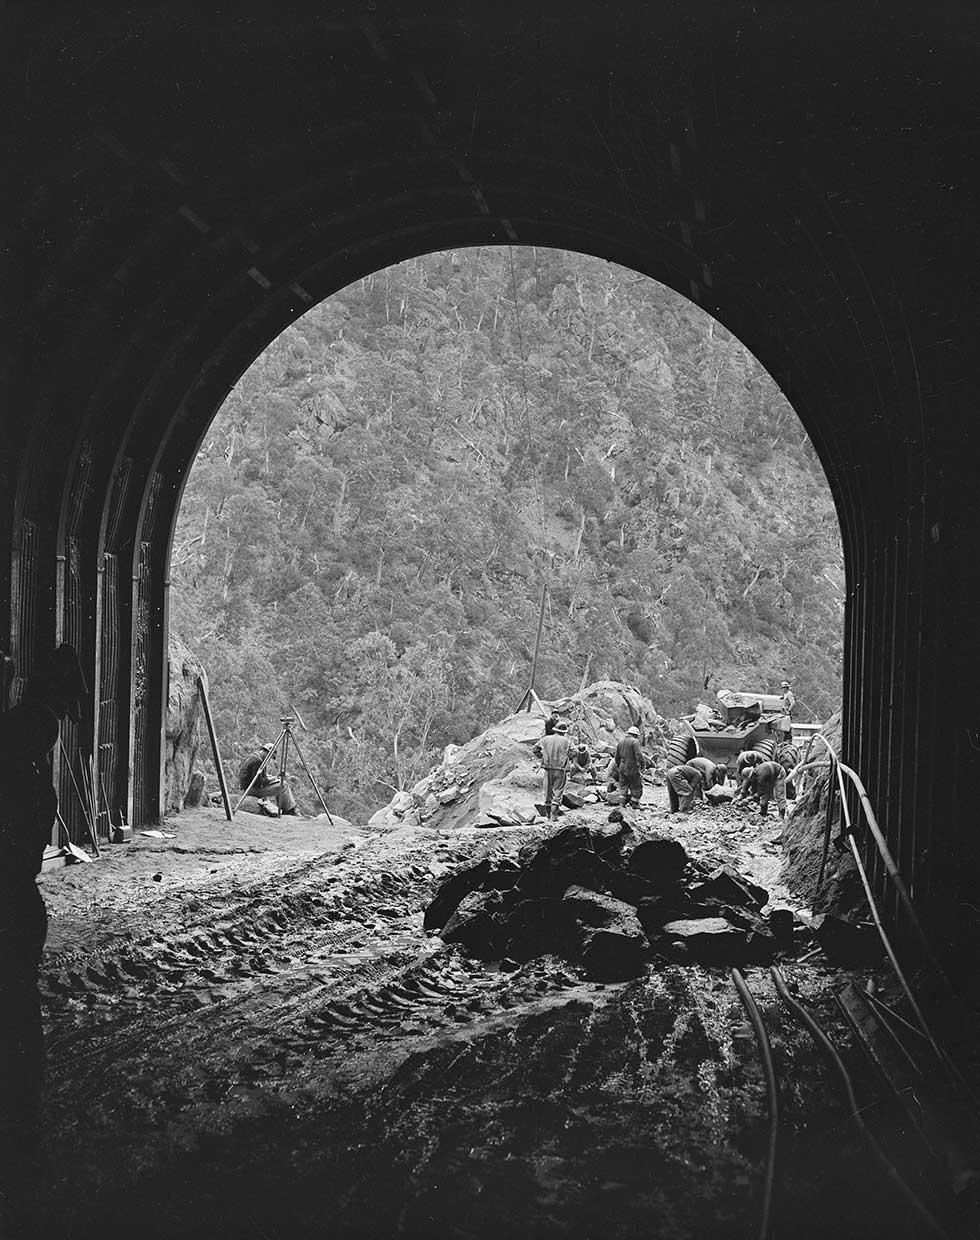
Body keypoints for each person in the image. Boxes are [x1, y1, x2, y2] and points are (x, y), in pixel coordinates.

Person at [0, 645, 87, 1232]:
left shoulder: (25, 730)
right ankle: (22, 1132)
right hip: (13, 891)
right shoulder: (31, 737)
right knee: (19, 1016)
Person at [238, 743, 298, 816]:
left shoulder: (253, 757)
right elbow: (259, 783)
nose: (269, 759)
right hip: (252, 789)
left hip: (247, 786)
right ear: (266, 752)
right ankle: (289, 810)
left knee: (280, 782)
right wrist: (272, 779)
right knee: (283, 785)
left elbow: (257, 776)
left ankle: (286, 808)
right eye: (270, 756)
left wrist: (270, 778)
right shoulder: (258, 761)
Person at [533, 720, 571, 820]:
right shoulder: (566, 741)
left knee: (548, 792)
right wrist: (566, 757)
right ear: (564, 732)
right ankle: (554, 816)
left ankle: (548, 815)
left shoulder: (546, 739)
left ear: (555, 730)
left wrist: (542, 756)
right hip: (560, 769)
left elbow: (535, 749)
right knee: (558, 792)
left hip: (548, 769)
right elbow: (574, 752)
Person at [613, 725, 645, 808]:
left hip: (622, 766)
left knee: (623, 786)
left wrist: (619, 766)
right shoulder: (635, 742)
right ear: (635, 735)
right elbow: (638, 755)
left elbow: (616, 757)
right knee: (636, 785)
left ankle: (622, 804)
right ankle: (634, 804)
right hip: (632, 767)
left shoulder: (621, 742)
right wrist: (642, 765)